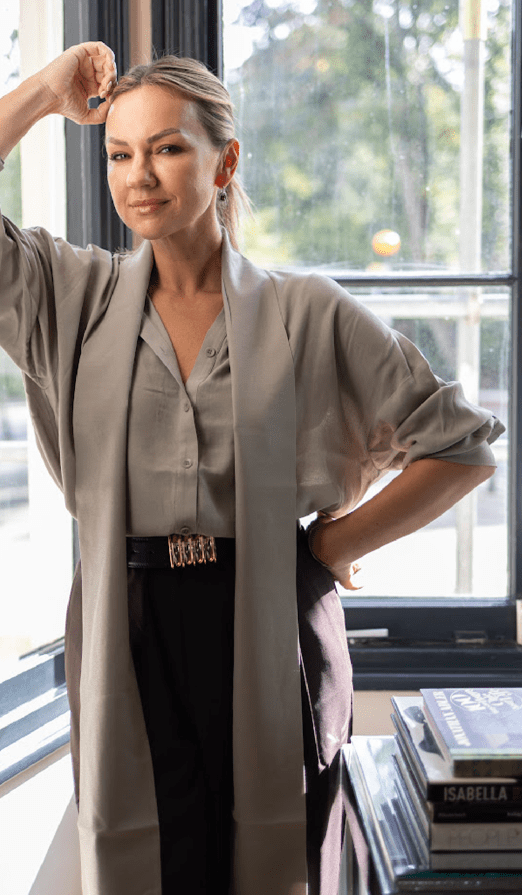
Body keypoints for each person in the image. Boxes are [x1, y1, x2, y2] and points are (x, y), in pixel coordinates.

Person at [0, 41, 503, 895]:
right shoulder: (71, 297)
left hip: (273, 610)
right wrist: (46, 93)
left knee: (281, 864)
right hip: (129, 626)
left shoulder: (309, 312)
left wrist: (332, 542)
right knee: (149, 864)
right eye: (120, 153)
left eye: (166, 147)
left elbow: (462, 445)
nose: (138, 177)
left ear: (225, 160)